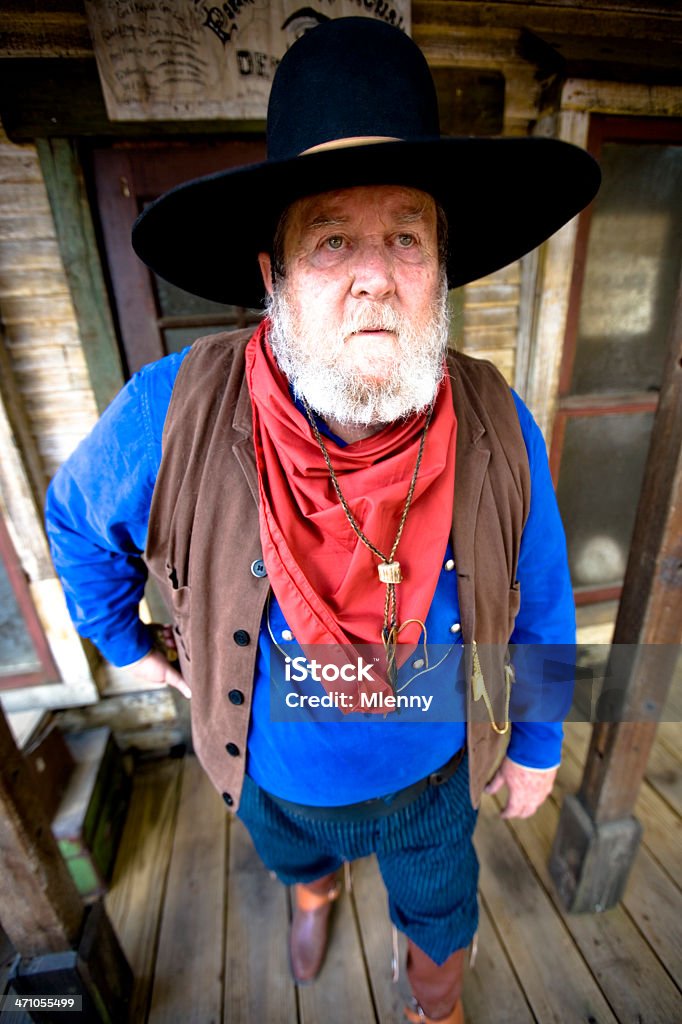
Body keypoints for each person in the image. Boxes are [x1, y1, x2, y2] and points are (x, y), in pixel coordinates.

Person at [45, 18, 599, 1024]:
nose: (373, 274)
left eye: (405, 237)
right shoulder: (167, 409)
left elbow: (546, 602)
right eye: (331, 239)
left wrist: (538, 740)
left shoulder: (498, 424)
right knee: (288, 848)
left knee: (441, 914)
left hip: (434, 770)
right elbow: (73, 520)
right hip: (268, 764)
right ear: (273, 278)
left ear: (440, 268)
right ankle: (313, 891)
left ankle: (433, 1000)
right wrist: (128, 643)